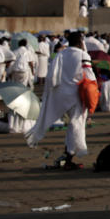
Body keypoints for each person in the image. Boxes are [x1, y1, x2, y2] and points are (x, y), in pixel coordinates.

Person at [26, 31, 95, 170]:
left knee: (73, 125)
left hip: (61, 94)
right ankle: (70, 155)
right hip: (76, 94)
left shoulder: (61, 54)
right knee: (76, 125)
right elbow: (89, 75)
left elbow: (52, 75)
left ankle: (68, 155)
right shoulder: (82, 55)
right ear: (81, 42)